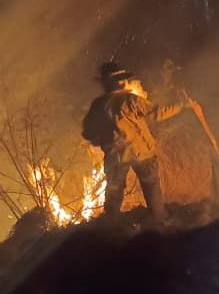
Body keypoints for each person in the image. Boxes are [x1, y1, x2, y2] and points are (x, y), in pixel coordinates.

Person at [81, 62, 192, 223]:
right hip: (142, 153)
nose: (126, 82)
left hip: (116, 157)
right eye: (122, 79)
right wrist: (181, 105)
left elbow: (88, 132)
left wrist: (101, 140)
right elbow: (157, 113)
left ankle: (110, 229)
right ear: (116, 82)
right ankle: (160, 222)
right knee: (151, 188)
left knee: (114, 192)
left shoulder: (98, 105)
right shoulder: (131, 100)